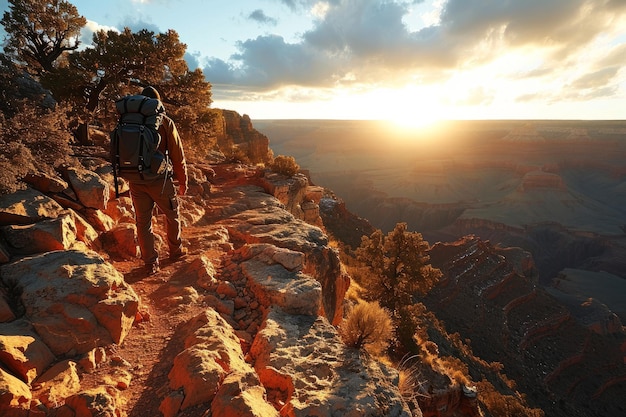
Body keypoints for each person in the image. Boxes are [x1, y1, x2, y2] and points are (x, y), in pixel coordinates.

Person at [130, 86, 188, 275]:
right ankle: (175, 251)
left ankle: (150, 262)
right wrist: (183, 180)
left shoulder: (128, 121)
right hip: (159, 180)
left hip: (136, 179)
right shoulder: (165, 122)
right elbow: (177, 155)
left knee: (143, 222)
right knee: (172, 215)